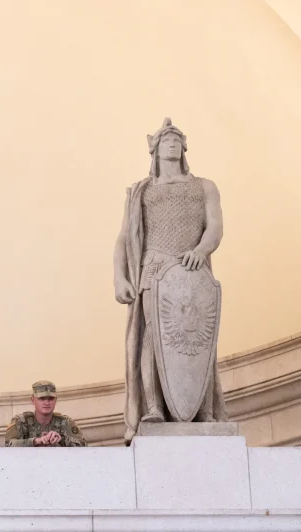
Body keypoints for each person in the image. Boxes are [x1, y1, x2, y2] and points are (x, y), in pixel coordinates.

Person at [113, 117, 227, 440]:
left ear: (184, 146)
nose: (172, 143)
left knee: (199, 340)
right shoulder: (142, 191)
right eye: (166, 139)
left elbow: (215, 227)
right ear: (155, 148)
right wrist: (118, 278)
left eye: (177, 138)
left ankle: (204, 411)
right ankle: (154, 408)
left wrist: (202, 250)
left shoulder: (205, 186)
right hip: (155, 271)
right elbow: (123, 238)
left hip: (194, 271)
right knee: (153, 337)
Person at [5, 381, 86, 447]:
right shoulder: (21, 422)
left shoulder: (65, 422)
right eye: (42, 398)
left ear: (56, 400)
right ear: (33, 400)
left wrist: (61, 439)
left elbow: (83, 446)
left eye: (51, 399)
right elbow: (9, 445)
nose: (47, 403)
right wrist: (35, 441)